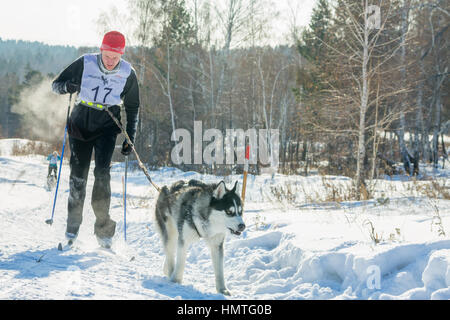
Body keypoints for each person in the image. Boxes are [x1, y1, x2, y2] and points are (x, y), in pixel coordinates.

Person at [51, 31, 140, 248]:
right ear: (101, 50)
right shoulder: (85, 63)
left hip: (108, 125)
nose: (110, 61)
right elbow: (56, 85)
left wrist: (130, 137)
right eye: (107, 56)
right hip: (81, 122)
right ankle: (72, 227)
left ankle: (103, 230)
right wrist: (68, 87)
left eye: (115, 57)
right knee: (78, 176)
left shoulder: (128, 73)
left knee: (102, 174)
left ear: (121, 55)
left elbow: (132, 106)